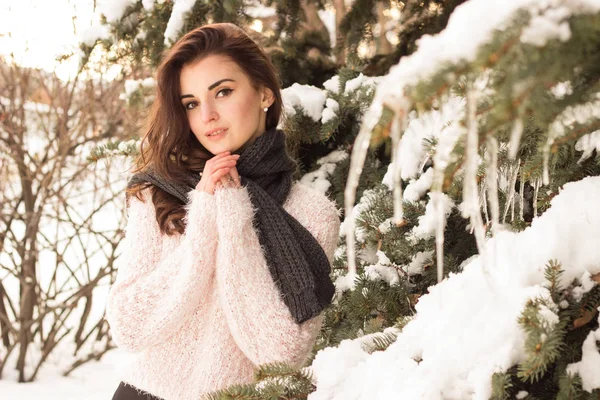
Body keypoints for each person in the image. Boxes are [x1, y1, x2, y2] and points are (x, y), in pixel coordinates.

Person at [105, 22, 340, 400]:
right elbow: (130, 327)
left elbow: (280, 352)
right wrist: (203, 218)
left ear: (264, 93)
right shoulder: (159, 192)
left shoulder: (311, 213)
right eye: (192, 103)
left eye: (224, 92)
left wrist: (232, 214)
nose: (207, 115)